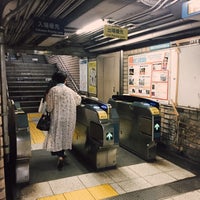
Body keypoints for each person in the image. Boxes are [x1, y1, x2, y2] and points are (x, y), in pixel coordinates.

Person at [43, 71, 81, 170]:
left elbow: (49, 108)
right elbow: (78, 100)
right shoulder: (70, 90)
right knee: (66, 135)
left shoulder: (53, 90)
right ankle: (63, 153)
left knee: (57, 136)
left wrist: (48, 109)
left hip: (57, 118)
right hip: (69, 118)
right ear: (65, 80)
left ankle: (60, 155)